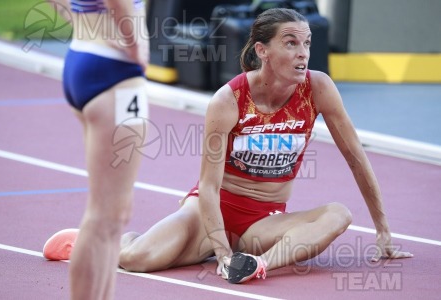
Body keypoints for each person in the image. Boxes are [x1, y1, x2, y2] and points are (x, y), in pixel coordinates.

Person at [46, 7, 413, 285]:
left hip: (263, 221)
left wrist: (383, 231)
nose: (303, 53)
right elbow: (208, 185)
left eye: (307, 43)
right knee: (138, 259)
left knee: (338, 215)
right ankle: (104, 239)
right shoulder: (229, 99)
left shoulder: (318, 89)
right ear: (262, 51)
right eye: (291, 43)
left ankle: (257, 265)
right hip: (210, 209)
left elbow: (355, 159)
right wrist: (221, 251)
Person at [42, 0, 150, 298]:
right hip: (114, 70)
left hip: (87, 57)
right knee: (104, 215)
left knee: (114, 214)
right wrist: (135, 45)